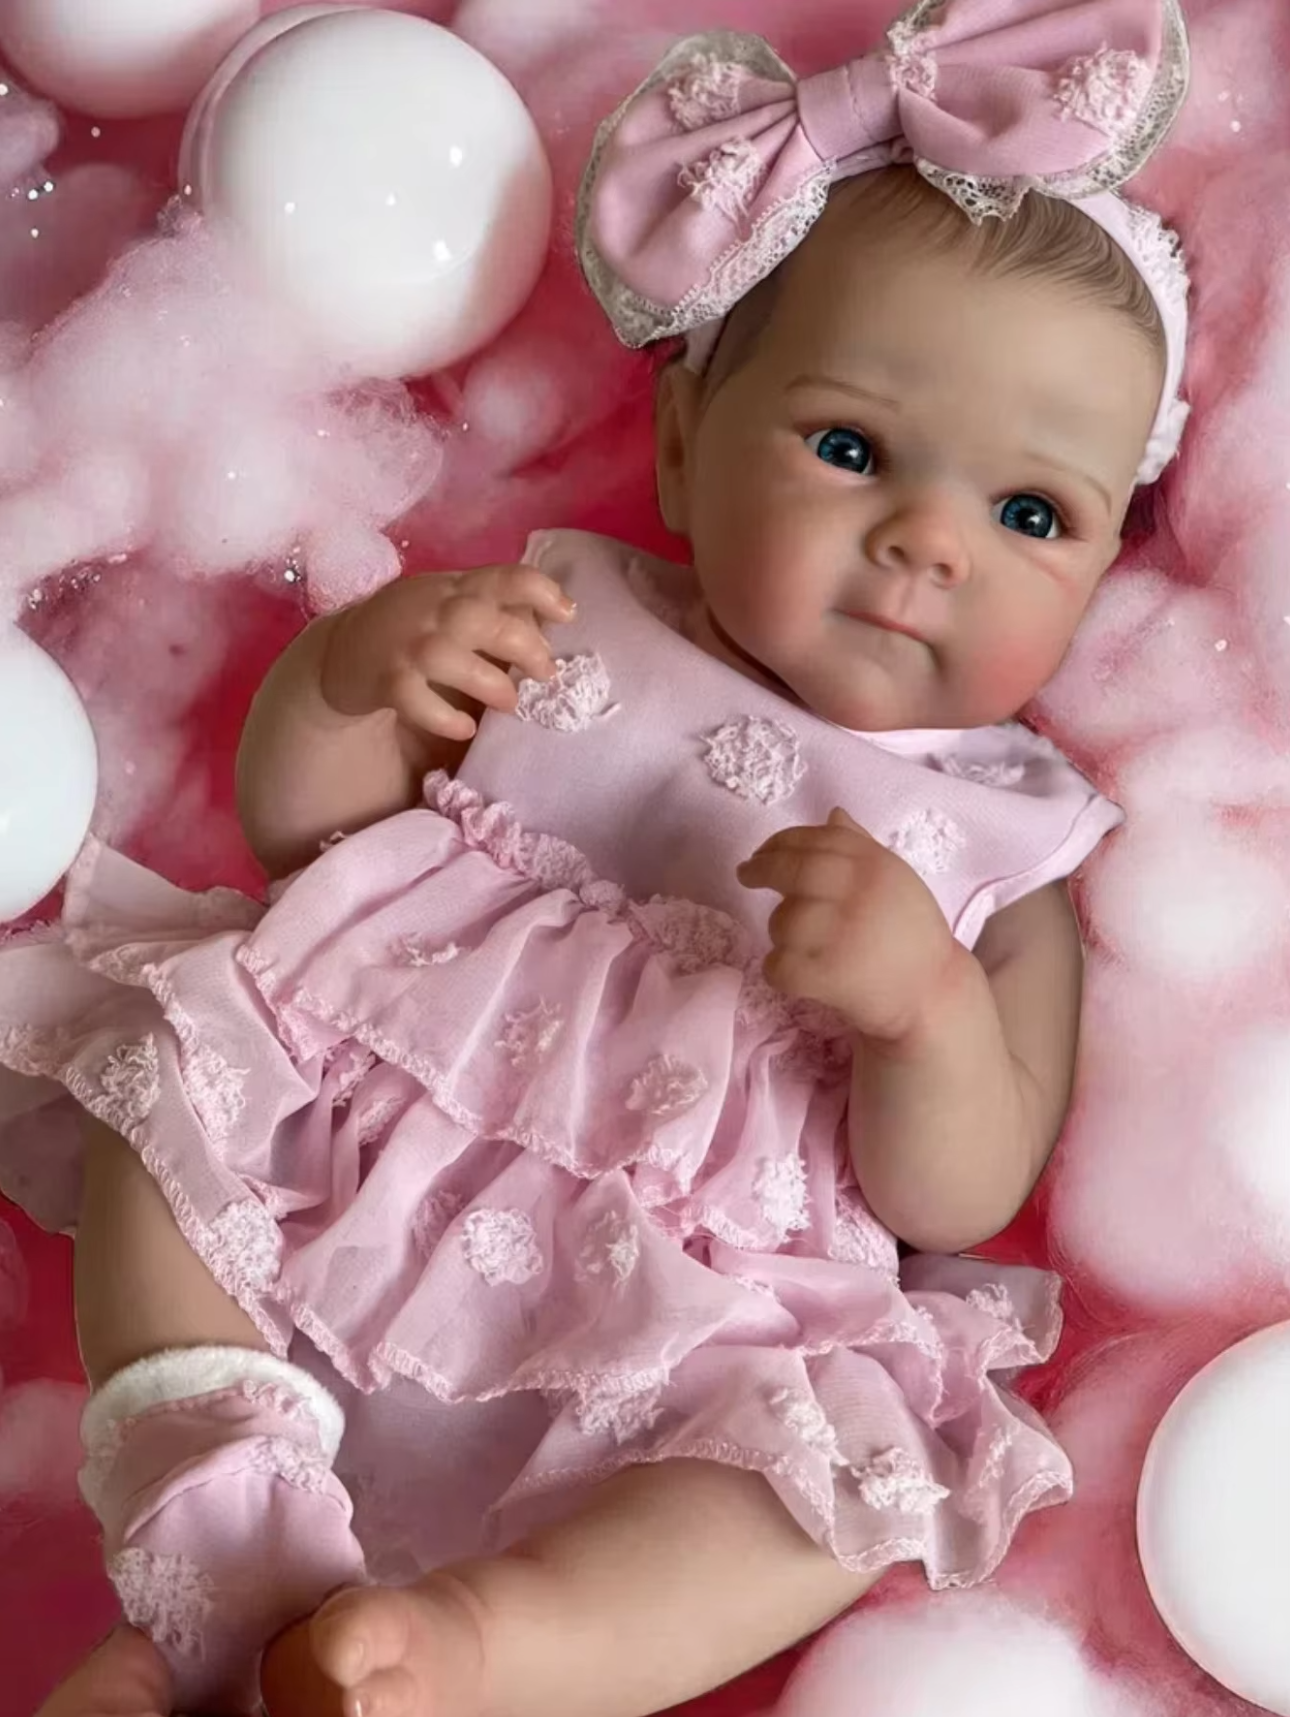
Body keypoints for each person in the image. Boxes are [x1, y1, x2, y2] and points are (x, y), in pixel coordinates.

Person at [0, 0, 1193, 1712]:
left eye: (1029, 514)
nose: (928, 542)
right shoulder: (565, 608)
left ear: (1096, 570)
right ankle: (218, 1530)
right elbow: (308, 840)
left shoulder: (1018, 839)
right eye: (850, 449)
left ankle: (483, 1651)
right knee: (170, 1076)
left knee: (827, 1487)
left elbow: (961, 1195)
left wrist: (924, 1011)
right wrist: (357, 676)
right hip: (360, 1144)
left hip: (689, 1317)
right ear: (684, 449)